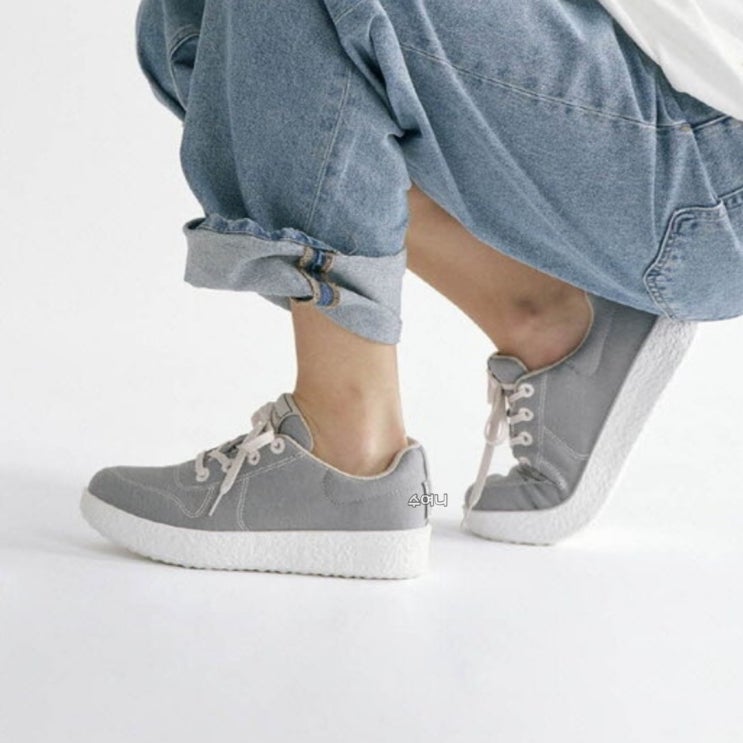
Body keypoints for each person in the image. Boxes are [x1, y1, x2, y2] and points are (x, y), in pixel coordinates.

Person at [80, 0, 743, 578]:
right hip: (666, 111)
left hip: (714, 154)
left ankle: (348, 451)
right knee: (195, 27)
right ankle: (545, 319)